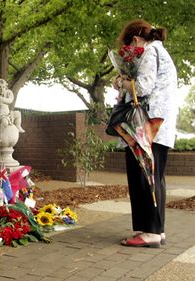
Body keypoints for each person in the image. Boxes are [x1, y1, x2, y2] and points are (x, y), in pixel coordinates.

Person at [112, 19, 178, 247]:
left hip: (147, 127)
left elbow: (142, 87)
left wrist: (121, 81)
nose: (129, 52)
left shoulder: (150, 53)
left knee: (143, 177)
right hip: (158, 127)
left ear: (136, 39)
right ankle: (156, 230)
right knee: (155, 176)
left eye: (128, 46)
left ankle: (150, 232)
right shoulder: (161, 52)